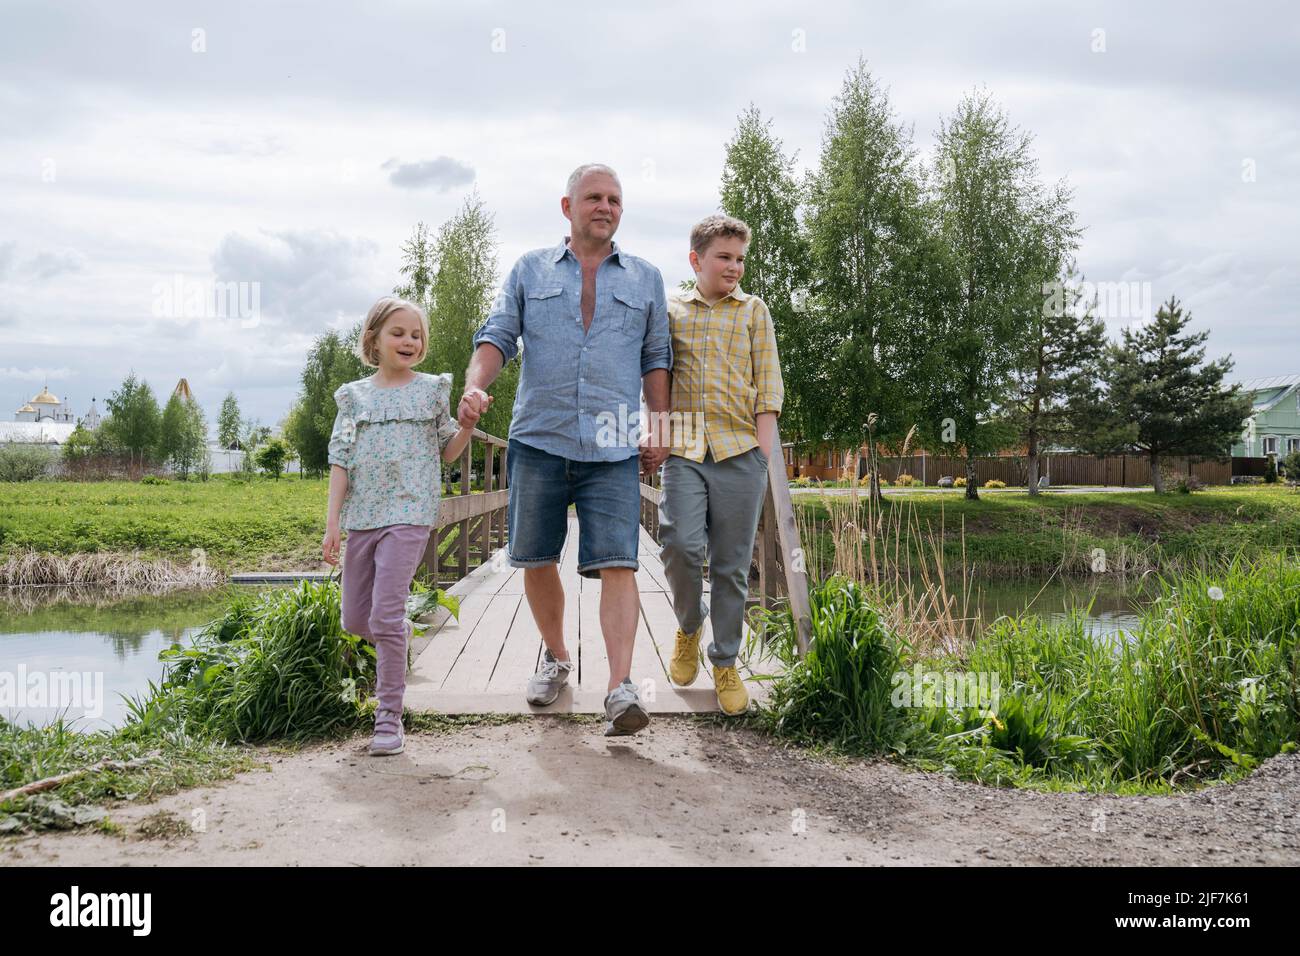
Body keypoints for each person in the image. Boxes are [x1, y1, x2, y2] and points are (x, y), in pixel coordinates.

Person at [461, 163, 672, 736]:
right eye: (594, 197)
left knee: (619, 559)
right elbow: (497, 336)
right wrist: (476, 385)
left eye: (615, 199)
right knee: (534, 556)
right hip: (539, 435)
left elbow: (656, 357)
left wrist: (661, 426)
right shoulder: (529, 269)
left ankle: (620, 687)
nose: (605, 207)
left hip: (614, 439)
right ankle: (556, 657)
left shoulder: (645, 278)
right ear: (567, 206)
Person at [322, 296, 485, 755]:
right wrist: (333, 523)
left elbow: (447, 450)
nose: (409, 341)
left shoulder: (432, 389)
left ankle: (388, 719)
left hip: (411, 512)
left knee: (384, 615)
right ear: (373, 339)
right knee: (356, 619)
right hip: (363, 516)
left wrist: (468, 426)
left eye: (416, 335)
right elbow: (340, 461)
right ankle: (398, 634)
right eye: (398, 333)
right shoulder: (353, 397)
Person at [658, 214, 784, 715]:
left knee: (732, 568)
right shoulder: (670, 311)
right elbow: (656, 375)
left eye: (740, 259)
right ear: (696, 260)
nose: (734, 267)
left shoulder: (754, 311)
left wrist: (764, 456)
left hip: (739, 452)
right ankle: (689, 625)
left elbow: (768, 384)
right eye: (724, 257)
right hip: (684, 449)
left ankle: (725, 660)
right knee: (681, 546)